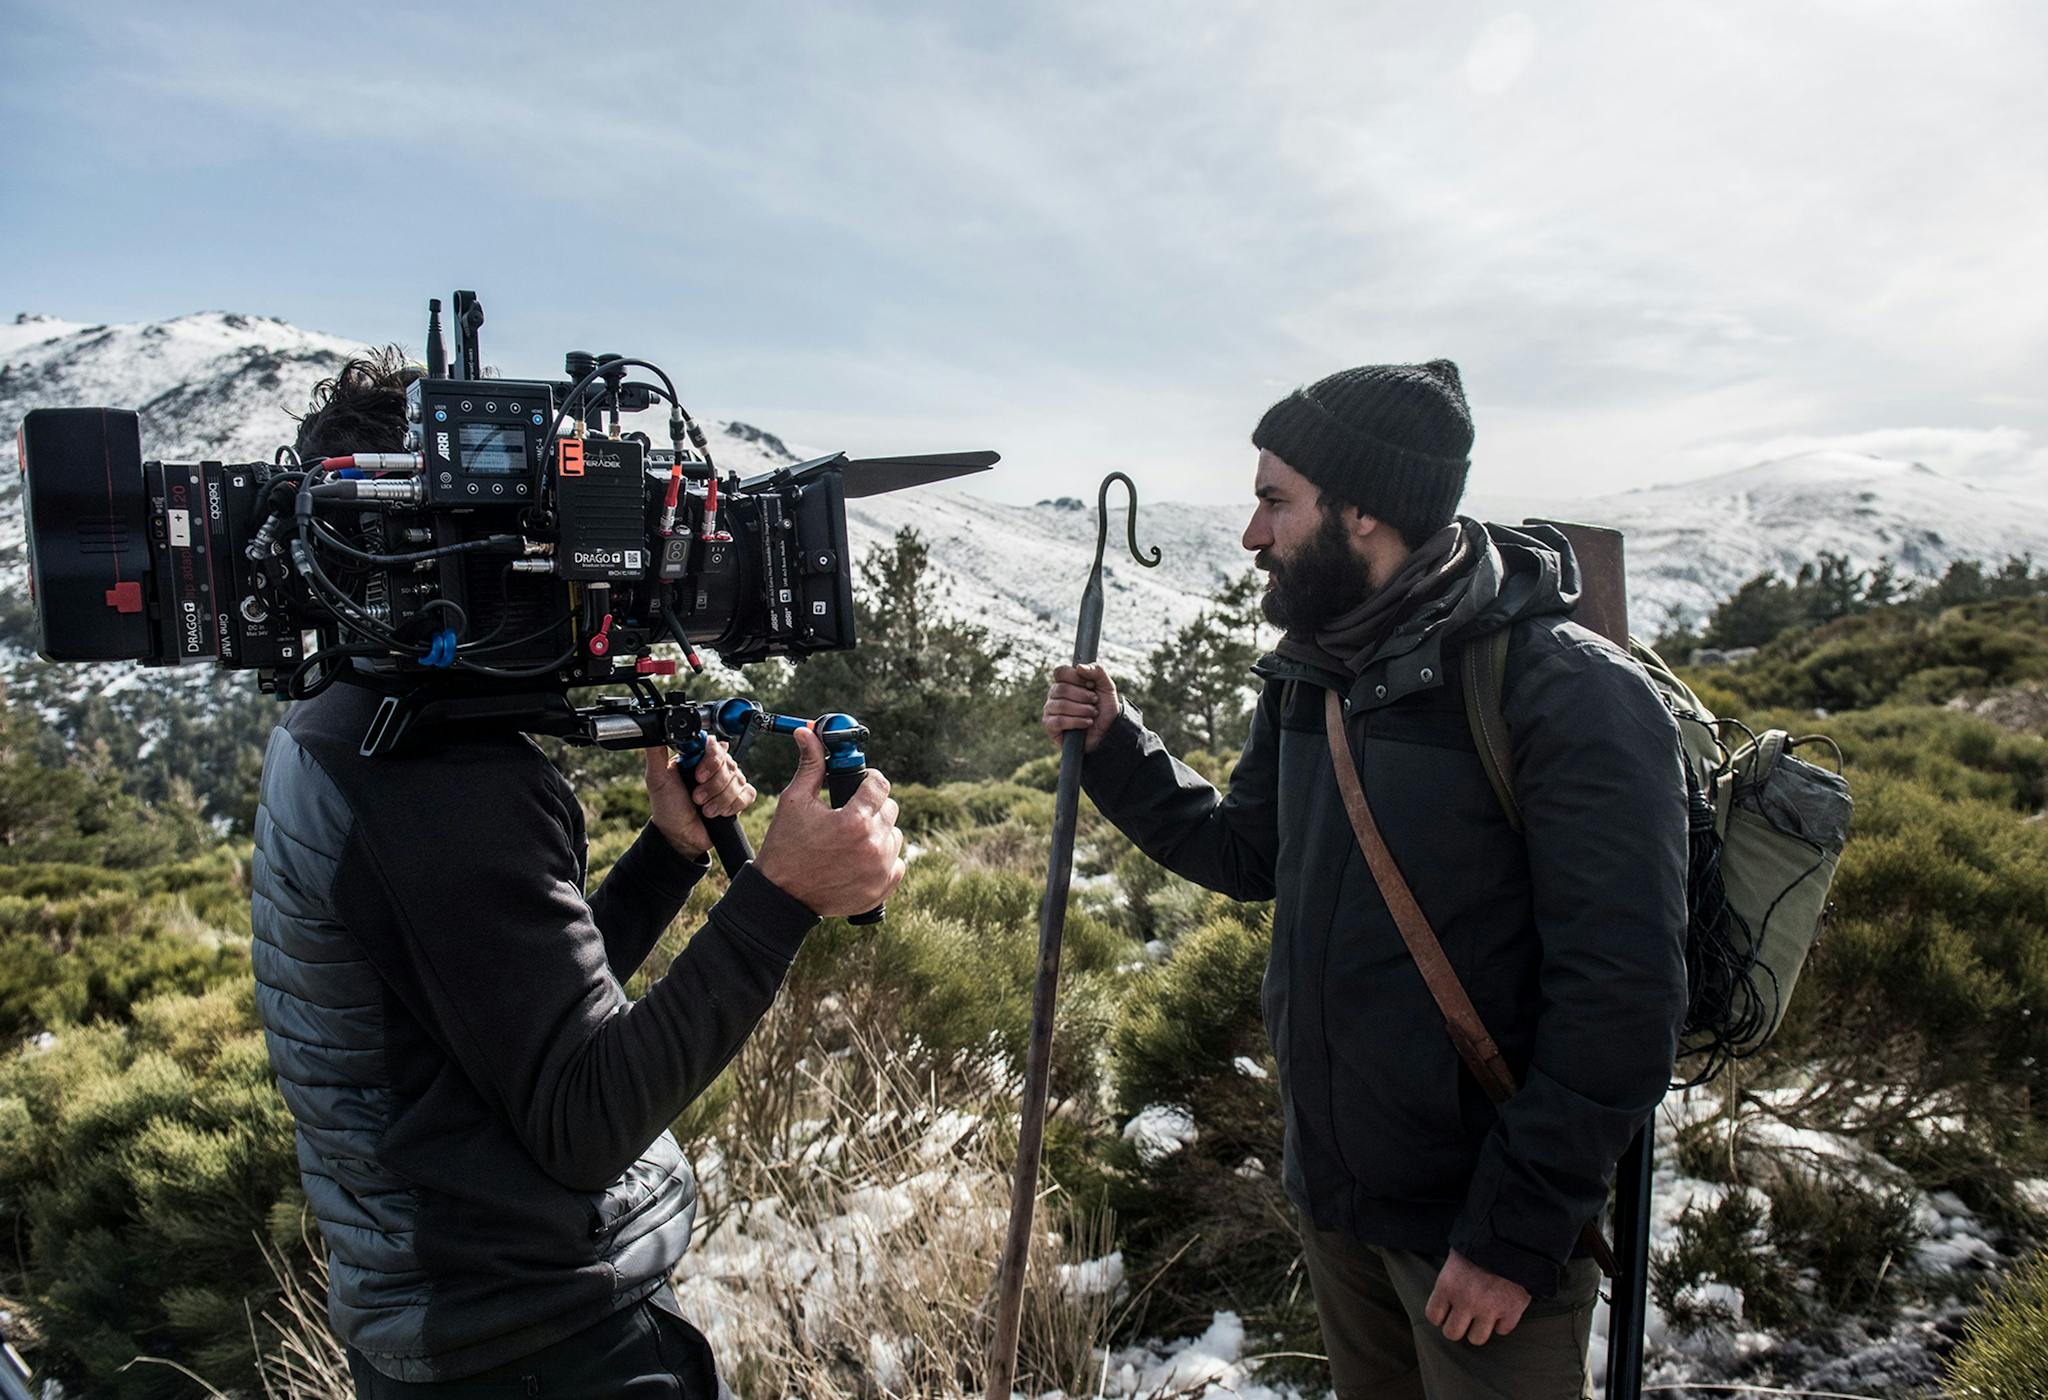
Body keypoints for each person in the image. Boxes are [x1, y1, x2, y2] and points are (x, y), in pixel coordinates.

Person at [251, 355, 907, 1396]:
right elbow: (582, 1117)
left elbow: (506, 1022)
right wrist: (780, 892)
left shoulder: (357, 732)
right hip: (536, 1348)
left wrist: (667, 859)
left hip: (473, 1323)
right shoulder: (434, 777)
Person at [1042, 361, 1688, 1400]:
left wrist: (1514, 1230)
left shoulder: (1563, 692)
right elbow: (1248, 851)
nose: (1254, 534)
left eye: (1273, 501)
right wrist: (1117, 747)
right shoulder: (1316, 672)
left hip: (1482, 1234)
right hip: (1344, 1202)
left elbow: (1623, 996)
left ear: (1364, 510)